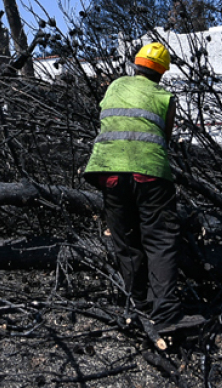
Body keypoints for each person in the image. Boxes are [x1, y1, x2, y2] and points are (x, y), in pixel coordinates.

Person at [83, 42, 205, 333]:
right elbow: (165, 135)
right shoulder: (164, 97)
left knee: (125, 239)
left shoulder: (114, 86)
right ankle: (166, 315)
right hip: (148, 172)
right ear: (162, 72)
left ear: (135, 64)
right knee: (160, 239)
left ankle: (137, 305)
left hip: (108, 170)